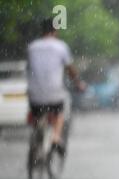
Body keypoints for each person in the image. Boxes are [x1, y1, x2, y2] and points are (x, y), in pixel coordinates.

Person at [27, 18, 85, 154]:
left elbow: (29, 69)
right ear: (55, 31)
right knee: (59, 111)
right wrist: (78, 83)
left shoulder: (32, 47)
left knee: (37, 112)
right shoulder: (60, 47)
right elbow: (70, 69)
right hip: (54, 93)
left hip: (34, 94)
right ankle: (55, 137)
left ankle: (37, 133)